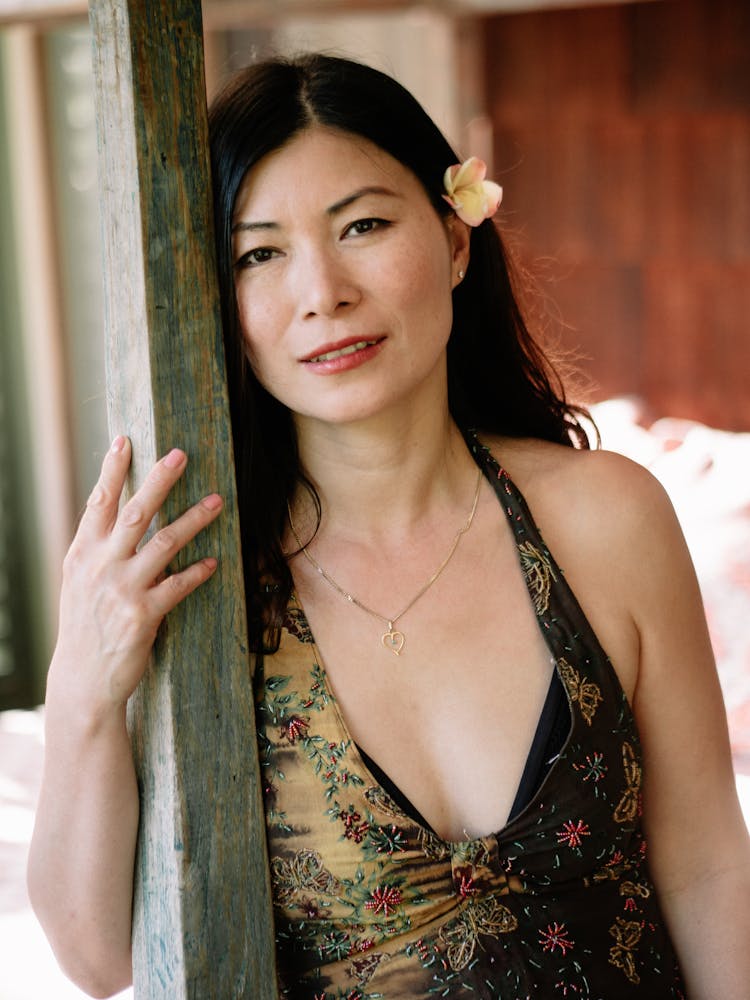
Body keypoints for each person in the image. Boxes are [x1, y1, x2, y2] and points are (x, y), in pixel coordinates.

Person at [28, 52, 749, 999]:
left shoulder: (609, 516)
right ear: (219, 299)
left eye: (362, 225)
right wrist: (82, 684)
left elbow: (707, 865)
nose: (323, 291)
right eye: (260, 252)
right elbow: (95, 957)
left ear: (455, 242)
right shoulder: (204, 582)